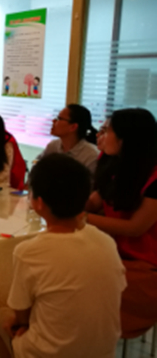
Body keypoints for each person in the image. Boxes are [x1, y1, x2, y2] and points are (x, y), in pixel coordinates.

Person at [0, 154, 126, 358]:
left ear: (38, 203)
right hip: (104, 351)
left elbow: (21, 316)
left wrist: (23, 324)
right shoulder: (106, 241)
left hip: (50, 353)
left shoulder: (29, 252)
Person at [86, 108, 157, 338]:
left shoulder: (154, 175)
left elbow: (135, 228)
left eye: (106, 130)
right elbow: (95, 201)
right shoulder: (114, 163)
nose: (100, 135)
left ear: (126, 138)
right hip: (113, 253)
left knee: (79, 281)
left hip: (145, 265)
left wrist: (81, 218)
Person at [37, 104, 99, 175]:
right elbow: (37, 165)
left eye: (59, 119)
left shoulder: (91, 155)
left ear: (73, 127)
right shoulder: (53, 145)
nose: (53, 121)